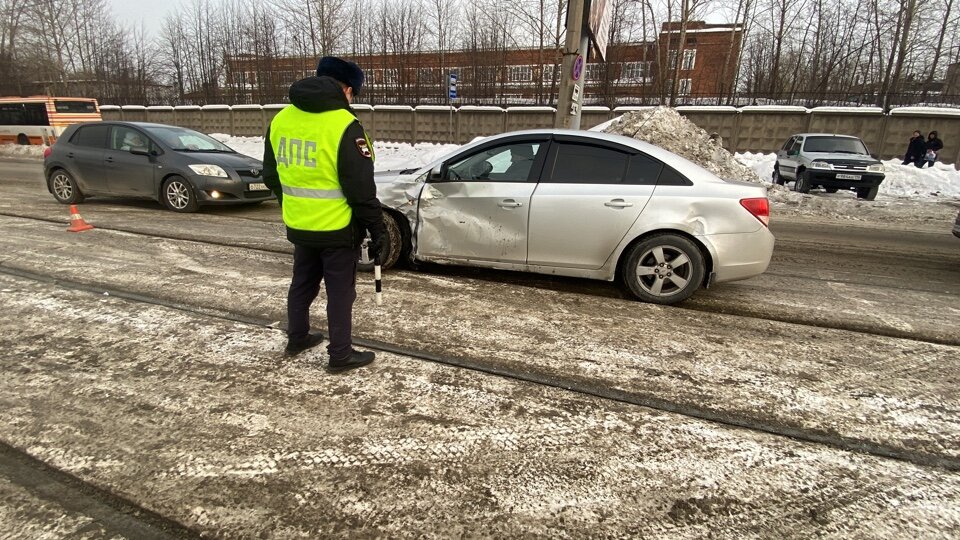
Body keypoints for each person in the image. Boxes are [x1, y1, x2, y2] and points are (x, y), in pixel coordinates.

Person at [262, 56, 386, 373]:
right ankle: (340, 354)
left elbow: (270, 175)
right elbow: (360, 189)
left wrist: (292, 203)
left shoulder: (281, 120)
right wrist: (377, 228)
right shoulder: (344, 125)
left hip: (299, 225)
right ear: (346, 89)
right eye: (353, 94)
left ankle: (297, 337)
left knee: (302, 284)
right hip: (338, 228)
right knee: (340, 293)